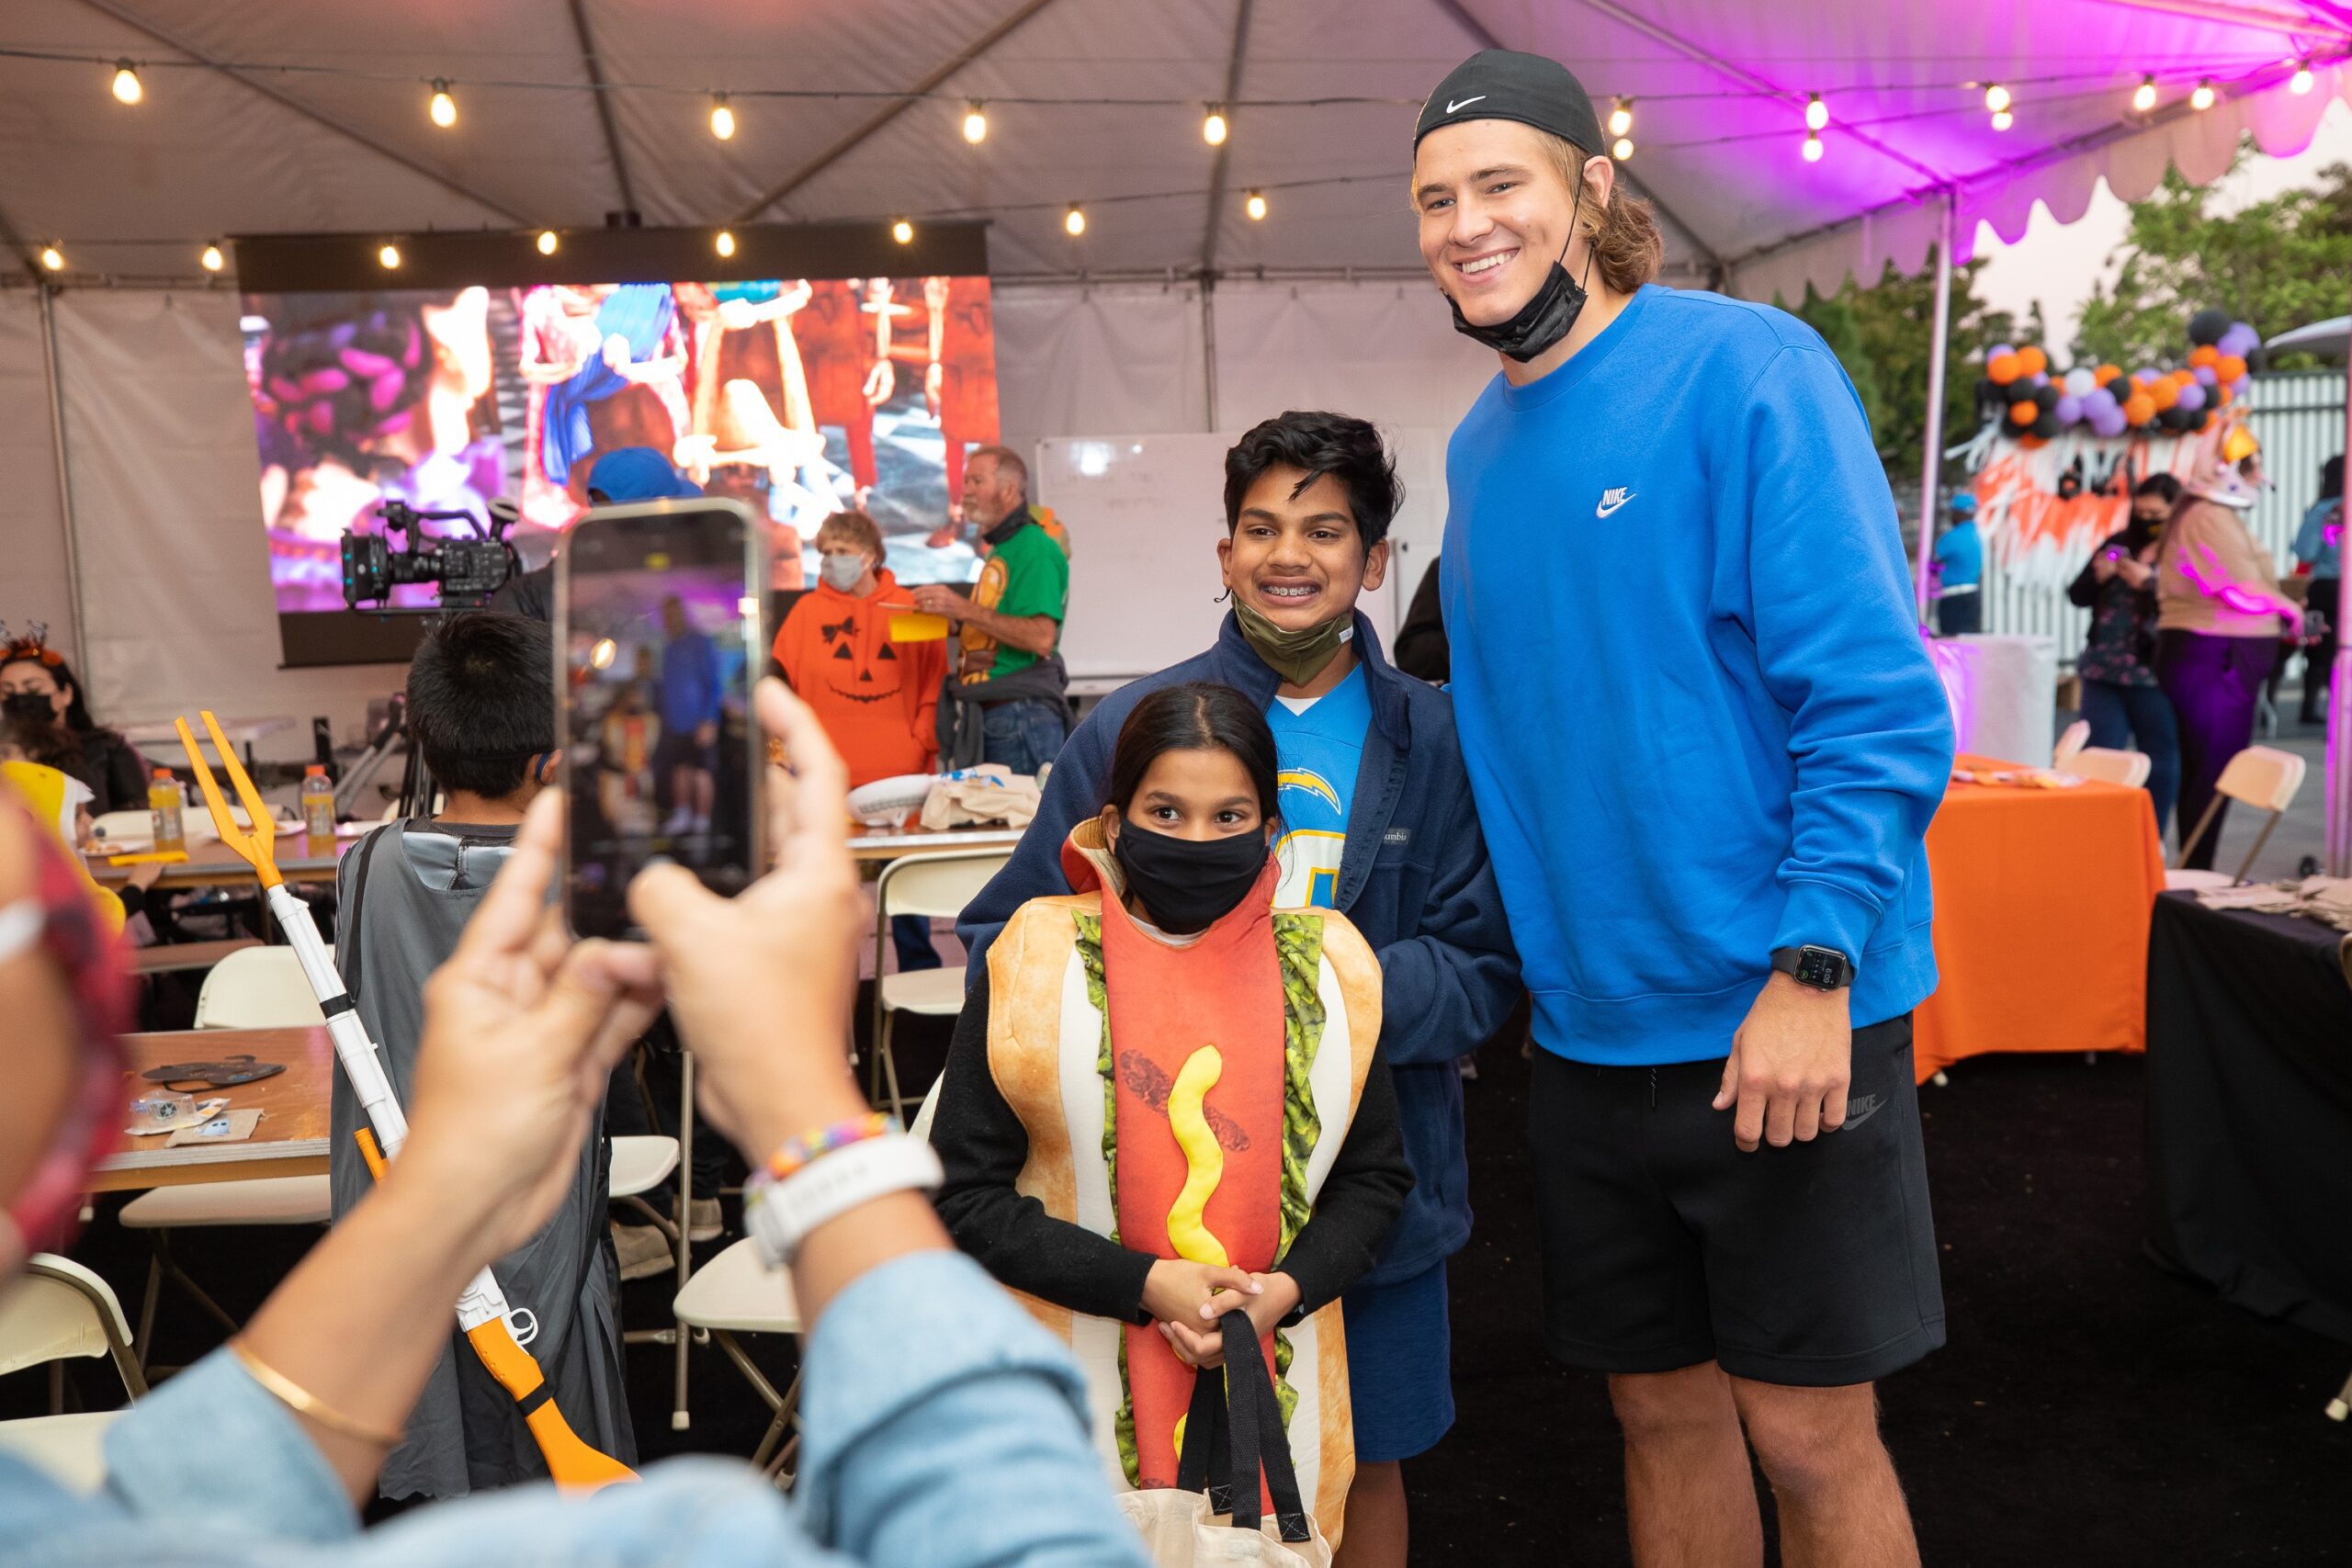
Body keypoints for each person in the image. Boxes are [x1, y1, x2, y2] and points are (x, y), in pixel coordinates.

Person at [0, 682, 1150, 1567]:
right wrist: (804, 1109)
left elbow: (157, 1518)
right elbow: (1018, 1538)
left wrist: (446, 1184)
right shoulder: (692, 1537)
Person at [1414, 50, 1954, 1566]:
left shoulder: (1746, 372)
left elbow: (1873, 697)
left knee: (1808, 1433)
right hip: (1587, 1042)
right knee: (1657, 1416)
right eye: (1436, 200)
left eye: (1500, 183)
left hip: (1775, 1011)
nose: (1466, 223)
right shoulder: (1477, 450)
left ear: (1594, 185)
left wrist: (1813, 966)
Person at [959, 412, 1517, 1568]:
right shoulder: (1128, 728)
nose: (1288, 554)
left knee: (1360, 1463)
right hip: (1137, 1219)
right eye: (1258, 528)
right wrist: (1158, 1001)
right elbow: (1001, 942)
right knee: (1140, 1471)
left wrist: (1305, 1010)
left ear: (1373, 560)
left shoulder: (1444, 738)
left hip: (1374, 1200)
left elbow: (1482, 971)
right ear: (1223, 557)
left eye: (1324, 530)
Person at [933, 682, 1413, 1549]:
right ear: (1114, 823)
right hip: (1065, 1396)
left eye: (1230, 817)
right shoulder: (1037, 958)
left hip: (1281, 1387)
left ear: (1272, 831)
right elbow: (964, 1195)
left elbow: (1376, 1180)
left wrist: (1281, 1295)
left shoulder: (1334, 970)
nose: (1197, 840)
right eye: (1167, 810)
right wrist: (1146, 1283)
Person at [328, 611, 636, 1498]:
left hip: (405, 1229)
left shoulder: (369, 864)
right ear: (550, 758)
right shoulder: (587, 875)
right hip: (546, 1226)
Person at [774, 508, 947, 971]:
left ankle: (919, 995)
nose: (831, 562)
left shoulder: (908, 607)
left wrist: (922, 733)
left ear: (869, 556)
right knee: (831, 895)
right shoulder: (807, 612)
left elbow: (933, 677)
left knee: (910, 893)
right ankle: (836, 993)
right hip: (829, 777)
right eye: (825, 553)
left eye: (842, 552)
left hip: (900, 776)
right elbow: (781, 685)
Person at [2153, 445, 2308, 869]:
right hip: (2214, 652)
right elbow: (2240, 589)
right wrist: (2291, 611)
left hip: (2215, 650)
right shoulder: (2207, 515)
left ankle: (2194, 867)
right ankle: (2195, 872)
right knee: (2212, 773)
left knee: (2208, 769)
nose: (2259, 477)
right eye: (2254, 467)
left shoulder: (2207, 514)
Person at [911, 445, 1072, 772]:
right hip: (999, 714)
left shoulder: (1033, 548)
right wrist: (952, 620)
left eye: (977, 481)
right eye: (966, 482)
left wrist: (962, 608)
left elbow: (1040, 637)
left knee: (1024, 824)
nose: (966, 491)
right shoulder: (1002, 549)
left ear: (1008, 490)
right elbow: (998, 623)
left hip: (1020, 715)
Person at [2068, 474, 2183, 832]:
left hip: (2154, 672)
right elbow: (2077, 594)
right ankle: (2101, 833)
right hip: (2103, 669)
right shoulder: (2119, 542)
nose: (2147, 519)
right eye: (2141, 511)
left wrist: (2150, 584)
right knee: (2102, 755)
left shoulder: (2182, 548)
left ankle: (2153, 835)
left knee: (2159, 757)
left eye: (2156, 513)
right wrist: (2098, 577)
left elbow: (2194, 602)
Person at [0, 631, 151, 815]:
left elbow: (138, 812)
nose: (20, 699)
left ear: (66, 694)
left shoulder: (107, 748)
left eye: (33, 690)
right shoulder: (4, 752)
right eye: (8, 693)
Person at [654, 593, 722, 837]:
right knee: (679, 770)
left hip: (699, 720)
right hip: (675, 723)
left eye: (674, 613)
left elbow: (713, 683)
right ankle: (683, 815)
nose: (670, 618)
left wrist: (709, 718)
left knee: (701, 772)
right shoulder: (670, 647)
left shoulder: (700, 643)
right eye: (667, 614)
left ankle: (702, 820)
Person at [2292, 454, 2342, 725]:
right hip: (2345, 590)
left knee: (2316, 646)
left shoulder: (2323, 510)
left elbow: (2305, 551)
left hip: (2323, 589)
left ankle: (2310, 707)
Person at [1930, 493, 1984, 637]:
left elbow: (1931, 564)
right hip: (1972, 598)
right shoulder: (1975, 535)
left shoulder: (1951, 538)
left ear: (1957, 513)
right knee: (1970, 644)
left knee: (1951, 644)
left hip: (1953, 599)